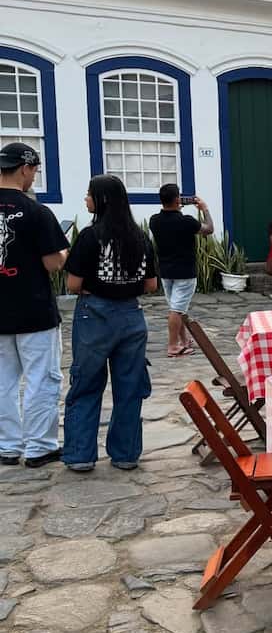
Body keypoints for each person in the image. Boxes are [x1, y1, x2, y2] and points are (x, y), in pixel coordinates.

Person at [63, 174, 157, 473]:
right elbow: (151, 284)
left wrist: (96, 285)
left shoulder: (90, 237)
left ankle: (80, 455)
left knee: (86, 384)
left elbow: (73, 283)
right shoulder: (140, 237)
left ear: (101, 200)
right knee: (129, 387)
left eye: (89, 194)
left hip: (95, 315)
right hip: (131, 316)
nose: (85, 199)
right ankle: (126, 453)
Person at [0, 142, 69, 468]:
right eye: (35, 171)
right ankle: (40, 446)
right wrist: (66, 253)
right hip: (33, 308)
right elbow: (53, 263)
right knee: (42, 378)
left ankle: (7, 446)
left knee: (2, 382)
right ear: (25, 168)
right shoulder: (36, 211)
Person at [149, 184, 213, 357]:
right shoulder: (187, 222)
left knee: (178, 308)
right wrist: (204, 209)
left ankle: (183, 341)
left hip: (166, 271)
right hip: (185, 272)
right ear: (178, 199)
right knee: (177, 310)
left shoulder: (154, 220)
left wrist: (175, 207)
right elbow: (209, 229)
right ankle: (173, 346)